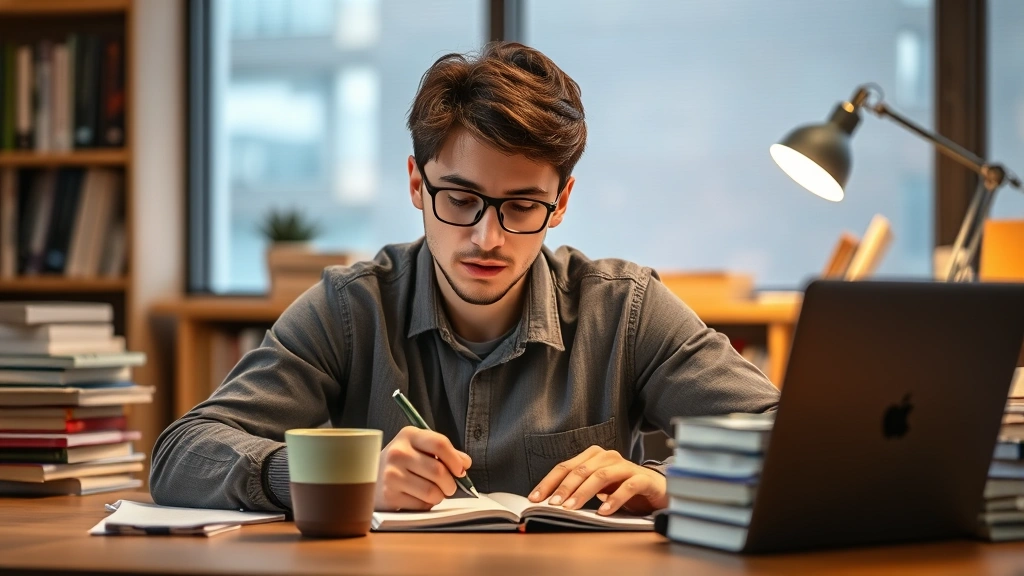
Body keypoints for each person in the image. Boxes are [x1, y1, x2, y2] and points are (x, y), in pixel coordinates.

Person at [151, 42, 779, 516]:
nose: (488, 237)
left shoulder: (625, 310)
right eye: (459, 198)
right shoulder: (352, 308)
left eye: (523, 205)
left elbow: (790, 437)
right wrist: (346, 479)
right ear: (416, 184)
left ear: (560, 203)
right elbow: (181, 453)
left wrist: (673, 485)